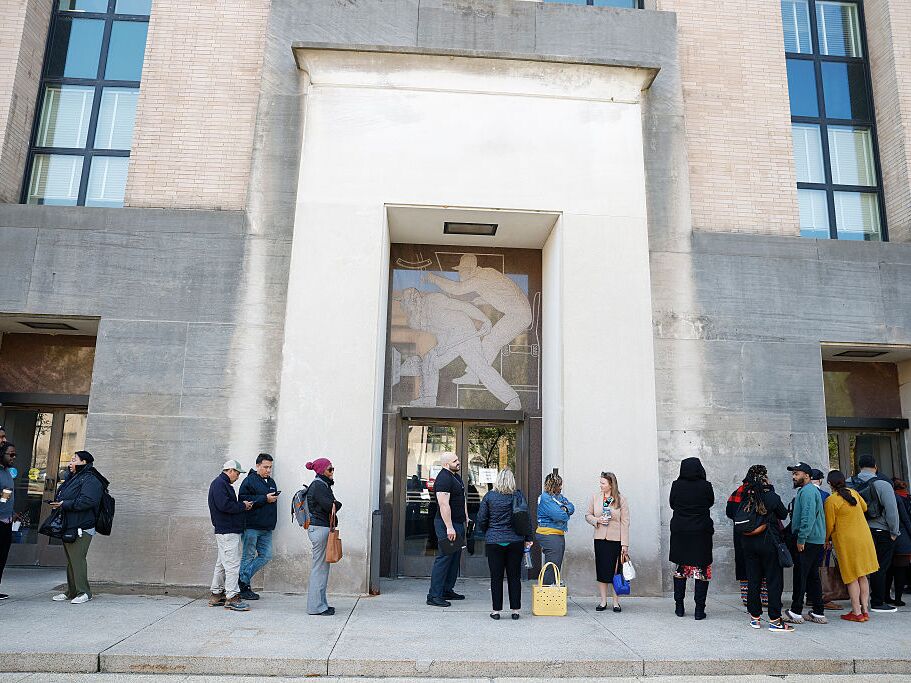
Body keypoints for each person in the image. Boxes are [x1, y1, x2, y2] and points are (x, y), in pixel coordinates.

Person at [396, 288, 520, 409]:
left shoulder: (434, 300)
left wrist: (484, 319)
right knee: (431, 360)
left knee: (480, 367)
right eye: (403, 302)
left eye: (405, 301)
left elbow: (463, 306)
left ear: (414, 299)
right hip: (449, 340)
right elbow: (440, 332)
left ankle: (513, 400)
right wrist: (441, 347)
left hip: (464, 333)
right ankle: (428, 399)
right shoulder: (415, 321)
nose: (403, 305)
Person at [422, 254, 533, 389]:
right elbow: (503, 291)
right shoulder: (485, 274)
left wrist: (434, 278)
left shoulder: (480, 277)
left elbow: (457, 289)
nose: (460, 273)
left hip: (519, 315)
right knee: (490, 341)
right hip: (518, 312)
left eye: (462, 270)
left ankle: (475, 376)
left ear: (471, 268)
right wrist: (485, 299)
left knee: (491, 341)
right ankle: (474, 375)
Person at [736, 465, 792, 632]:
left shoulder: (744, 497)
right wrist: (771, 490)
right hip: (768, 543)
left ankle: (755, 618)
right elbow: (783, 514)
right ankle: (775, 620)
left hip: (748, 543)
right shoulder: (771, 496)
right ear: (765, 479)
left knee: (754, 580)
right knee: (773, 581)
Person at [49, 450, 106, 605]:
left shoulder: (91, 479)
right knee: (71, 560)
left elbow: (88, 501)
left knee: (78, 559)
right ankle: (71, 591)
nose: (70, 463)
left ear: (84, 462)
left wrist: (64, 504)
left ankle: (84, 592)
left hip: (82, 526)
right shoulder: (74, 478)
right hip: (70, 524)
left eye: (74, 460)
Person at [477, 468, 533, 620]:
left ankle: (496, 611)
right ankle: (515, 610)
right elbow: (526, 518)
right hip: (515, 541)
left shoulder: (489, 496)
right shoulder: (518, 496)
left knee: (496, 576)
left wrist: (486, 531)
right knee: (514, 576)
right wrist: (529, 537)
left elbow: (482, 518)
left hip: (494, 541)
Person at [848, 455, 901, 612]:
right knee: (880, 567)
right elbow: (892, 510)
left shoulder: (849, 482)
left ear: (859, 466)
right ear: (875, 466)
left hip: (857, 530)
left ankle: (857, 602)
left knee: (860, 568)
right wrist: (894, 532)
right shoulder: (883, 484)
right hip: (880, 530)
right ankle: (878, 601)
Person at [825, 470, 879, 622]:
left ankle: (856, 612)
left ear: (830, 484)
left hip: (847, 541)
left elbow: (829, 525)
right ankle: (865, 610)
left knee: (851, 577)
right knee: (862, 575)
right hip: (864, 538)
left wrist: (826, 540)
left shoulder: (831, 500)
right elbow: (864, 508)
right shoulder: (854, 493)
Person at [669, 457, 714, 620]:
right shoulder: (706, 486)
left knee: (680, 569)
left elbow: (672, 504)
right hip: (701, 532)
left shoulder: (676, 485)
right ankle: (699, 610)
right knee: (701, 570)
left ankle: (679, 607)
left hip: (681, 532)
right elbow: (710, 502)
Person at [207, 459, 253, 612]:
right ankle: (232, 597)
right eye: (238, 473)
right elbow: (225, 505)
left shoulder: (220, 484)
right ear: (231, 470)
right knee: (232, 564)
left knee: (221, 563)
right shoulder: (221, 484)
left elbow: (224, 505)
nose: (238, 476)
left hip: (225, 530)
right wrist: (243, 506)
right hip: (228, 530)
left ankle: (216, 593)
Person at [783, 462, 827, 625]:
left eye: (797, 473)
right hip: (815, 539)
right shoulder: (809, 491)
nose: (794, 477)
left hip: (807, 540)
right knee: (812, 576)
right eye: (793, 474)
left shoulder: (807, 492)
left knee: (800, 576)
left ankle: (795, 611)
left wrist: (801, 539)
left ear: (807, 476)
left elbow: (807, 517)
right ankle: (818, 612)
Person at [427, 452, 468, 607]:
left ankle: (446, 590)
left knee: (454, 558)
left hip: (457, 523)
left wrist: (466, 517)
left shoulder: (455, 477)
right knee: (444, 558)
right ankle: (434, 595)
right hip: (446, 524)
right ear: (445, 464)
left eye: (458, 459)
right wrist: (449, 527)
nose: (458, 462)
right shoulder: (443, 478)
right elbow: (444, 504)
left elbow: (461, 498)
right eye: (455, 460)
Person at [585, 471, 629, 612]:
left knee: (616, 571)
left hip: (616, 539)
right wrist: (596, 520)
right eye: (600, 482)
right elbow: (588, 515)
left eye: (603, 483)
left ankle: (616, 602)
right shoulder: (595, 497)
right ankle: (603, 601)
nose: (601, 485)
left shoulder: (621, 499)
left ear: (611, 484)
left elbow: (625, 522)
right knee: (602, 569)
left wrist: (625, 544)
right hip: (600, 538)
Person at [238, 453, 279, 601]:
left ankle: (242, 580)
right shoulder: (249, 481)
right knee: (248, 556)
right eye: (265, 467)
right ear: (257, 466)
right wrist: (264, 498)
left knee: (266, 556)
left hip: (267, 527)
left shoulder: (272, 482)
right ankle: (244, 587)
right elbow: (242, 500)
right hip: (251, 526)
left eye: (270, 467)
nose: (268, 470)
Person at [305, 458, 341, 616]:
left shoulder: (321, 484)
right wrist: (336, 503)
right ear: (321, 471)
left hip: (320, 527)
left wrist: (334, 503)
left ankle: (321, 605)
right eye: (329, 469)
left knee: (321, 569)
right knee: (319, 569)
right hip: (320, 528)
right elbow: (330, 505)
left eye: (333, 469)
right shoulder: (319, 485)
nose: (332, 472)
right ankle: (315, 607)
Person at [726, 478, 768, 608]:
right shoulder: (763, 493)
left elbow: (729, 513)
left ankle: (747, 597)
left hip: (741, 535)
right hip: (761, 533)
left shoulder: (736, 493)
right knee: (764, 563)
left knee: (744, 563)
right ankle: (765, 598)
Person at [535, 472, 574, 585]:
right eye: (559, 485)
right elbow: (559, 516)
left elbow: (572, 507)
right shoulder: (545, 498)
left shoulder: (559, 497)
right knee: (552, 564)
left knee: (556, 563)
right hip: (549, 534)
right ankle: (547, 591)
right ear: (552, 485)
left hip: (557, 534)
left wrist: (565, 509)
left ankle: (551, 588)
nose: (561, 487)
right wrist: (565, 512)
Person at [887, 478, 911, 606]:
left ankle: (886, 596)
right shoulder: (906, 498)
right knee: (901, 570)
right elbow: (907, 519)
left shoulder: (888, 498)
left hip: (889, 538)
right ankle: (898, 598)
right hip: (904, 539)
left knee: (888, 570)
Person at [0, 442, 16, 600]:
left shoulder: (7, 473)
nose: (13, 457)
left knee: (2, 557)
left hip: (7, 521)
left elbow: (5, 495)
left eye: (14, 455)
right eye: (10, 454)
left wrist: (11, 512)